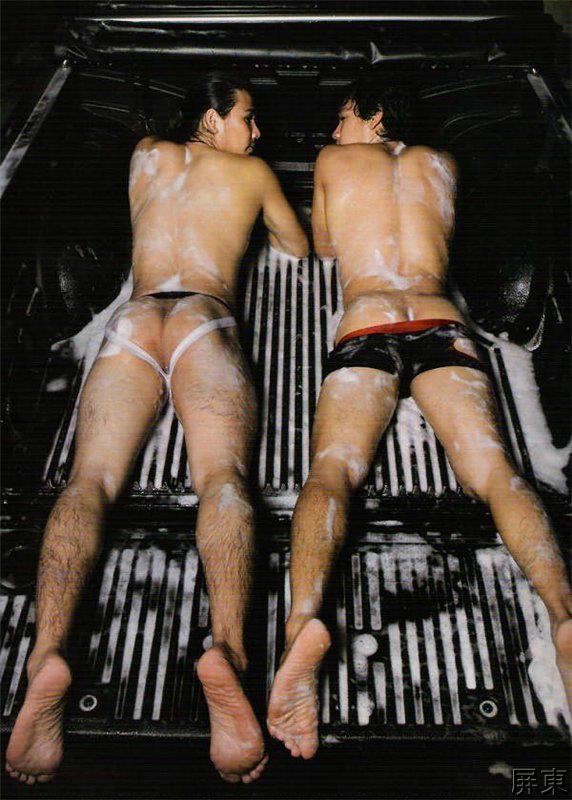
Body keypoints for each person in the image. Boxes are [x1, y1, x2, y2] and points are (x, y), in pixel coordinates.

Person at [6, 72, 309, 785]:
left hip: (135, 320)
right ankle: (227, 652)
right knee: (222, 479)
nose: (257, 131)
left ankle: (46, 655)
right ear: (212, 116)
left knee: (88, 481)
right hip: (205, 316)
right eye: (247, 117)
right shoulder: (253, 172)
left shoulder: (144, 153)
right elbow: (299, 249)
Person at [266, 77, 572, 759]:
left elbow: (324, 249)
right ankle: (564, 616)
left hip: (367, 321)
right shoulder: (443, 162)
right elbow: (443, 240)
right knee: (496, 474)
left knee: (333, 471)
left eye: (344, 116)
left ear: (373, 114)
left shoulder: (332, 159)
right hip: (441, 322)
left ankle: (303, 624)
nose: (336, 129)